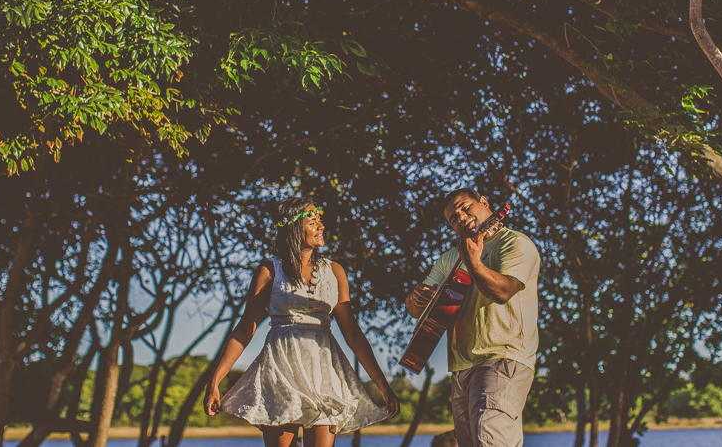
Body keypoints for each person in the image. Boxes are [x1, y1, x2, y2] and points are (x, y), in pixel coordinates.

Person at [204, 197, 400, 447]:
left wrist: (383, 386)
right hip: (281, 371)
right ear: (294, 228)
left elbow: (353, 334)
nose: (321, 227)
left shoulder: (335, 271)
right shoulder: (269, 271)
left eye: (320, 221)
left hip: (324, 374)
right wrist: (214, 382)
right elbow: (244, 330)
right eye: (312, 221)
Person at [405, 188, 540, 447]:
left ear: (484, 203)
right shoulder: (449, 259)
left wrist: (474, 262)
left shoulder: (514, 243)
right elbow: (415, 310)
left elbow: (502, 291)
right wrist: (415, 299)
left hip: (502, 358)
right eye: (453, 218)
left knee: (491, 441)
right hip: (461, 369)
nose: (461, 217)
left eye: (465, 207)